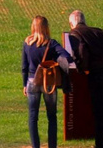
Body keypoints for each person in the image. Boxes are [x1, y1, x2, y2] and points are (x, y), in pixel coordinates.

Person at [64, 10, 103, 148]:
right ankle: (102, 143)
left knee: (98, 109)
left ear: (72, 23)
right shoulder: (99, 32)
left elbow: (82, 52)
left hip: (96, 74)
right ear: (83, 20)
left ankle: (100, 144)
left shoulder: (75, 34)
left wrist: (83, 70)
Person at [21, 15, 64, 148]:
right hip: (48, 82)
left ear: (33, 27)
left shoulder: (27, 43)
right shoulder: (51, 44)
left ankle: (35, 146)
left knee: (33, 115)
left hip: (32, 81)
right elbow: (64, 54)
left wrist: (24, 84)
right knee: (51, 116)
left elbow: (24, 66)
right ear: (46, 27)